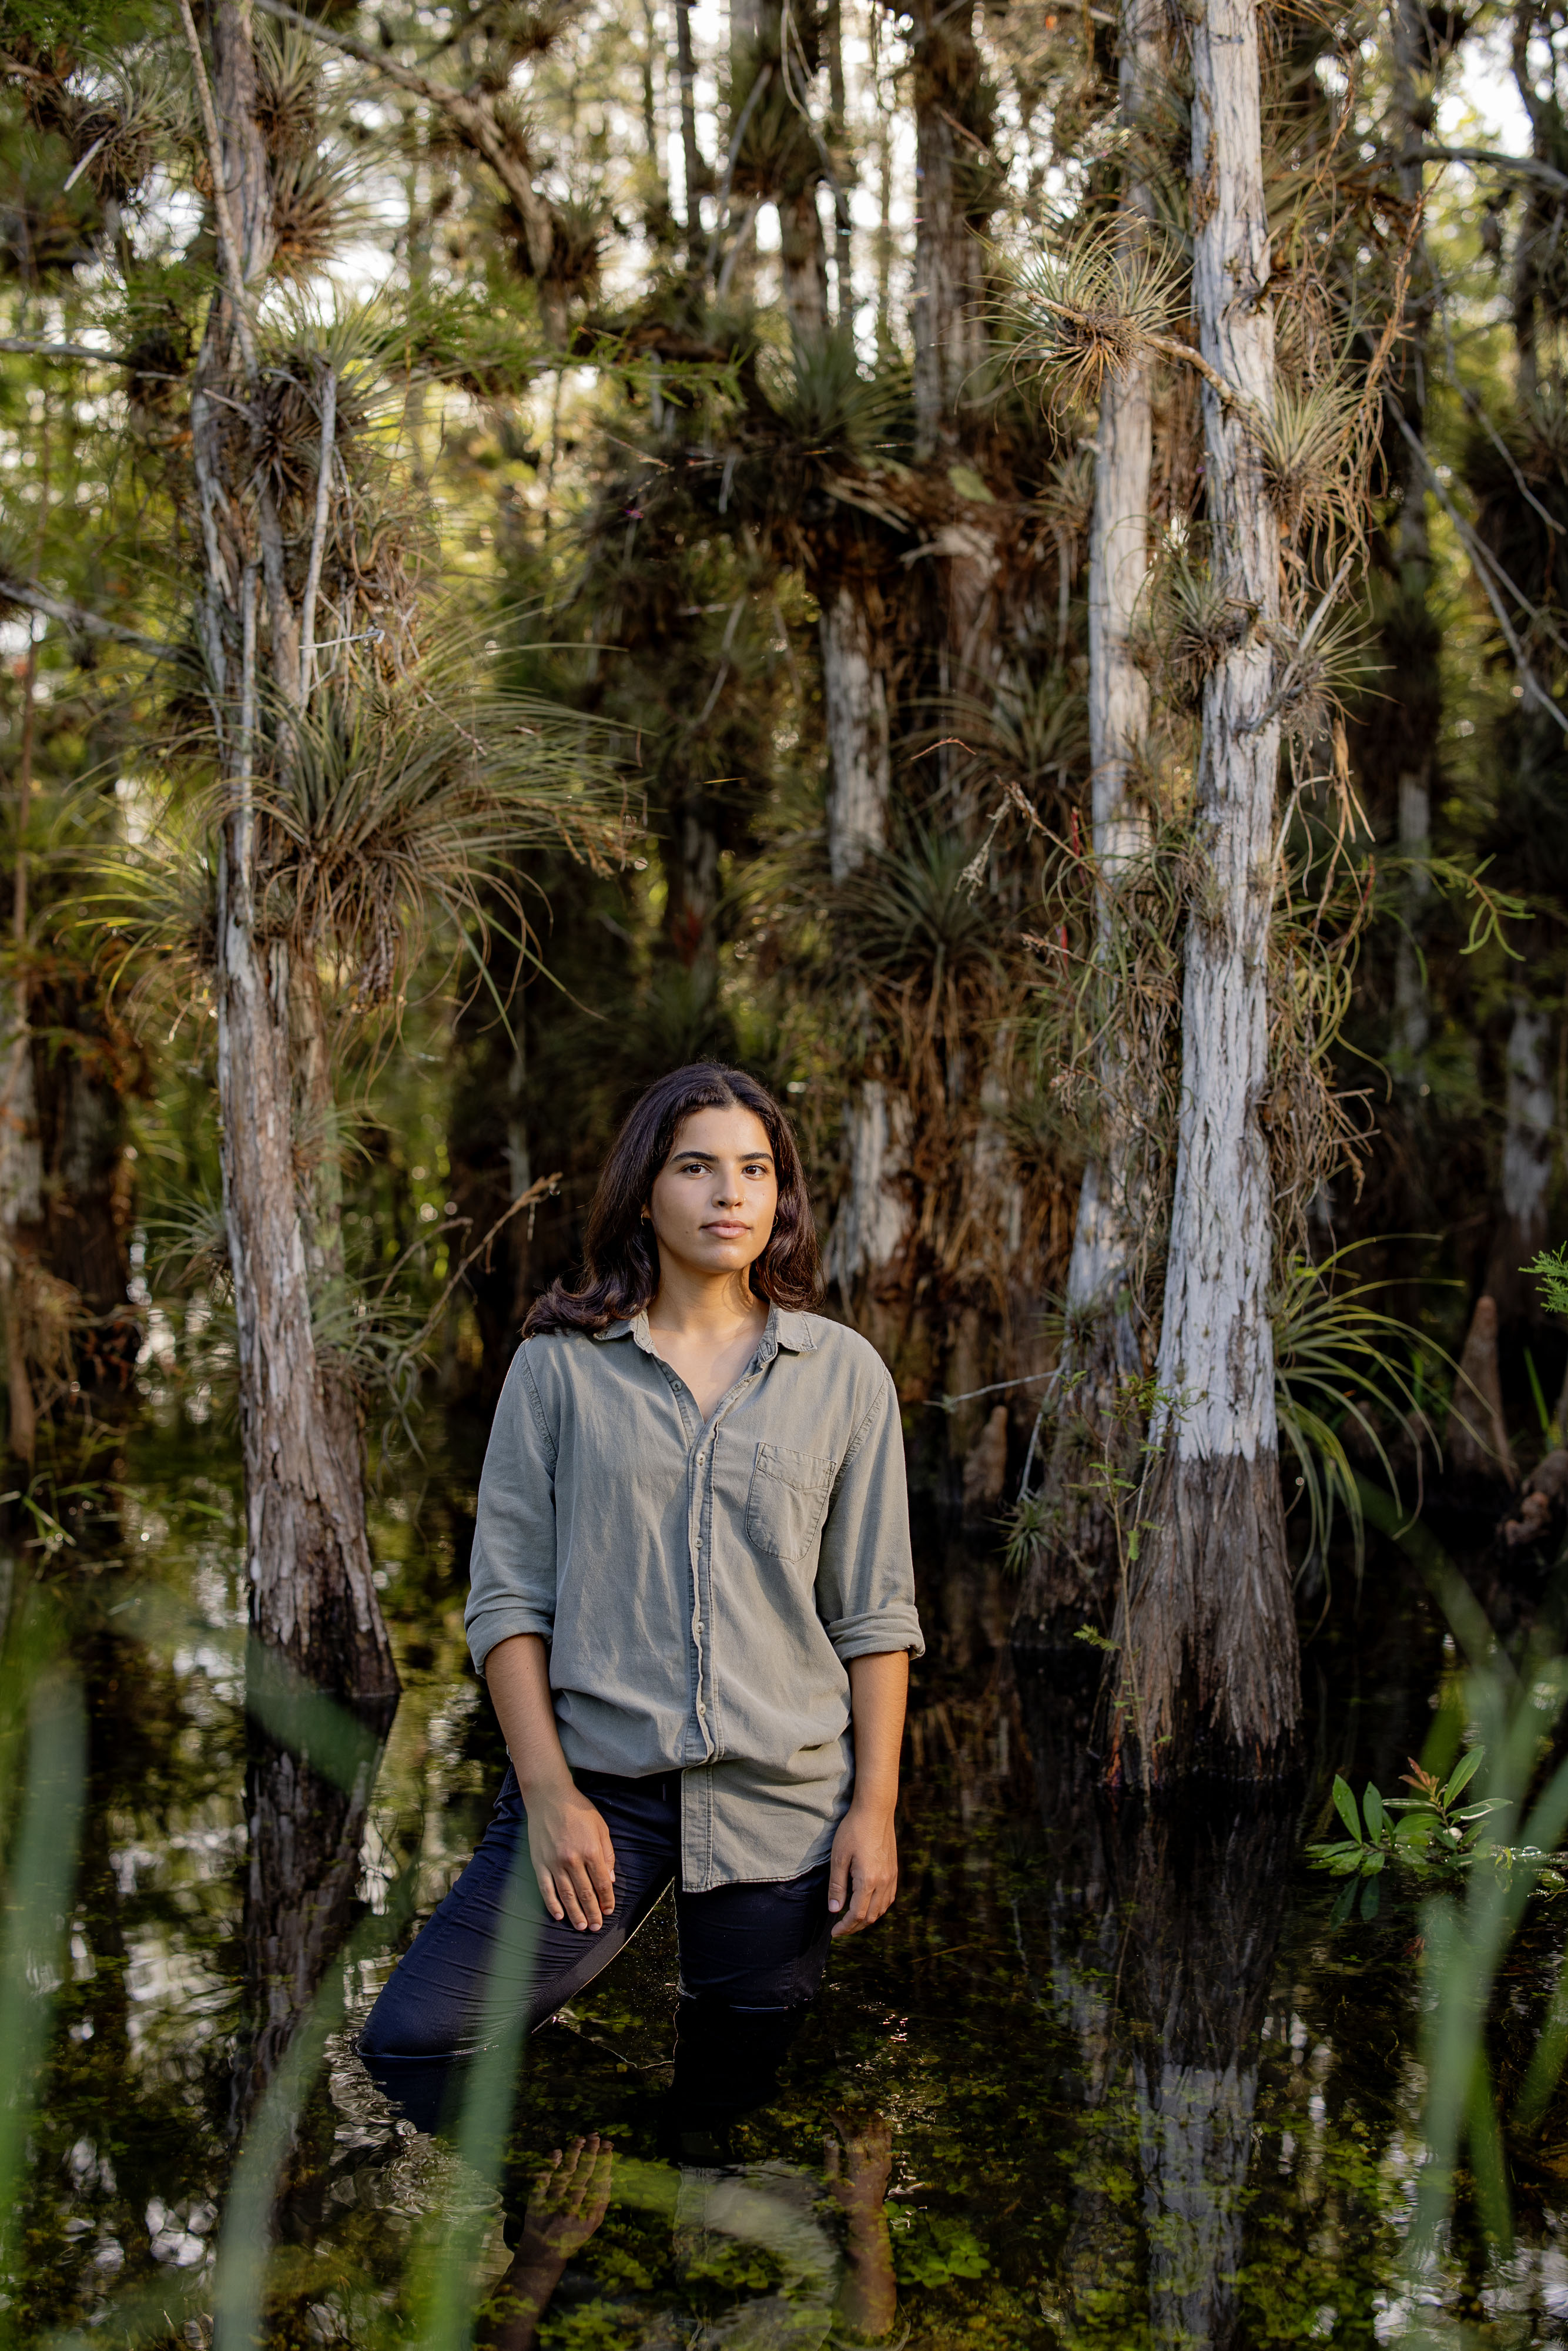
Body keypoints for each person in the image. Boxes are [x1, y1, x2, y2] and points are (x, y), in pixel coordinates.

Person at [359, 1062, 923, 2128]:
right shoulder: (560, 1368)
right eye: (697, 1167)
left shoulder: (843, 1375)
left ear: (781, 1195)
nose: (730, 1195)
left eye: (755, 1170)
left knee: (734, 2091)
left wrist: (874, 1810)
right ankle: (560, 2236)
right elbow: (507, 1601)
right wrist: (548, 1795)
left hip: (779, 1800)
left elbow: (875, 1616)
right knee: (414, 2045)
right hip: (601, 1789)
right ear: (645, 1190)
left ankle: (668, 2232)